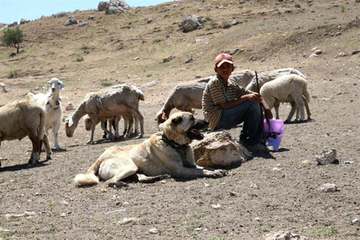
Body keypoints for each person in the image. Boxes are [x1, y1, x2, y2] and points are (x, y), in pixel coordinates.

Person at [202, 53, 273, 153]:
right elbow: (224, 105)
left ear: (233, 68)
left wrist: (266, 108)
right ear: (216, 70)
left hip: (225, 116)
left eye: (228, 66)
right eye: (222, 67)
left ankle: (254, 139)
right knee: (251, 104)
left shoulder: (230, 83)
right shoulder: (215, 82)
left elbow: (252, 94)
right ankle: (250, 142)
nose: (225, 69)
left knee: (253, 102)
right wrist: (246, 98)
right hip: (216, 119)